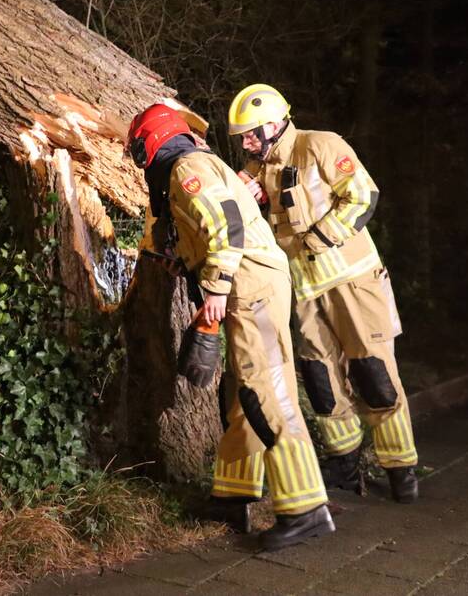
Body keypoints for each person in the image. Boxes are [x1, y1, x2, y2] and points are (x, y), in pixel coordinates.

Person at [126, 102, 334, 550]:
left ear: (151, 141)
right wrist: (185, 264)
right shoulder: (187, 169)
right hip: (247, 283)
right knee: (241, 394)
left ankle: (306, 508)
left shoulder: (187, 169)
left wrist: (216, 289)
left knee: (267, 392)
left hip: (250, 285)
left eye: (137, 149)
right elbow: (205, 231)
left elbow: (226, 224)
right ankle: (233, 496)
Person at [228, 84, 418, 503]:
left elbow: (362, 196)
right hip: (305, 291)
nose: (246, 144)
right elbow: (234, 203)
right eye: (241, 137)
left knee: (374, 373)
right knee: (321, 380)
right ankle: (344, 463)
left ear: (273, 125)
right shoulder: (259, 168)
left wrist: (316, 239)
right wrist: (248, 195)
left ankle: (400, 468)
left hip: (353, 281)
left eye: (250, 135)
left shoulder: (320, 145)